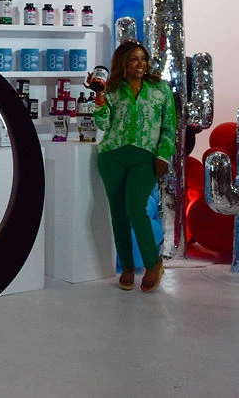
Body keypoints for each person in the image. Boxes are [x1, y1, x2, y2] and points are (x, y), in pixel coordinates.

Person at [91, 40, 176, 293]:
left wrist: (163, 156)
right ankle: (127, 266)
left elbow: (169, 126)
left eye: (143, 59)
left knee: (135, 209)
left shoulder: (160, 89)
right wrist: (99, 98)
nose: (141, 64)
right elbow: (103, 124)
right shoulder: (113, 89)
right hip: (111, 155)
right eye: (134, 59)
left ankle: (153, 263)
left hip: (144, 156)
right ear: (123, 63)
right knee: (118, 213)